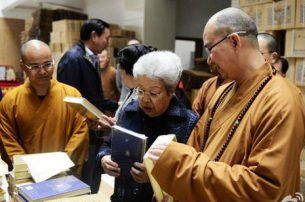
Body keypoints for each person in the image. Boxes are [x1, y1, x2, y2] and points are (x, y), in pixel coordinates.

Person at [147, 8, 305, 201]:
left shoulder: (282, 101)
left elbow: (263, 189)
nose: (209, 60)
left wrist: (176, 164)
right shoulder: (223, 91)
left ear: (234, 41)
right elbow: (196, 146)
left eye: (210, 48)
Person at [95, 51, 199, 202]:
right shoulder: (129, 111)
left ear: (171, 92)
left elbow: (192, 176)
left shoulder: (187, 123)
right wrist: (103, 158)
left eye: (153, 93)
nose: (144, 99)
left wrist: (154, 176)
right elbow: (108, 144)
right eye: (140, 91)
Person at [0, 40, 89, 176]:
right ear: (22, 66)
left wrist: (60, 167)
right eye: (34, 66)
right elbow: (8, 142)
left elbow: (80, 135)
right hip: (27, 176)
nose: (42, 71)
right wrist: (29, 171)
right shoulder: (10, 101)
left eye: (47, 64)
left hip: (64, 174)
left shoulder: (72, 95)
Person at [57, 18, 117, 193]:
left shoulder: (89, 57)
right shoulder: (73, 59)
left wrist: (114, 105)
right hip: (80, 132)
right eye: (106, 37)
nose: (107, 43)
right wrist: (89, 121)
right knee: (79, 181)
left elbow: (92, 97)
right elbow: (71, 101)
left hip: (92, 128)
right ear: (94, 36)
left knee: (91, 176)